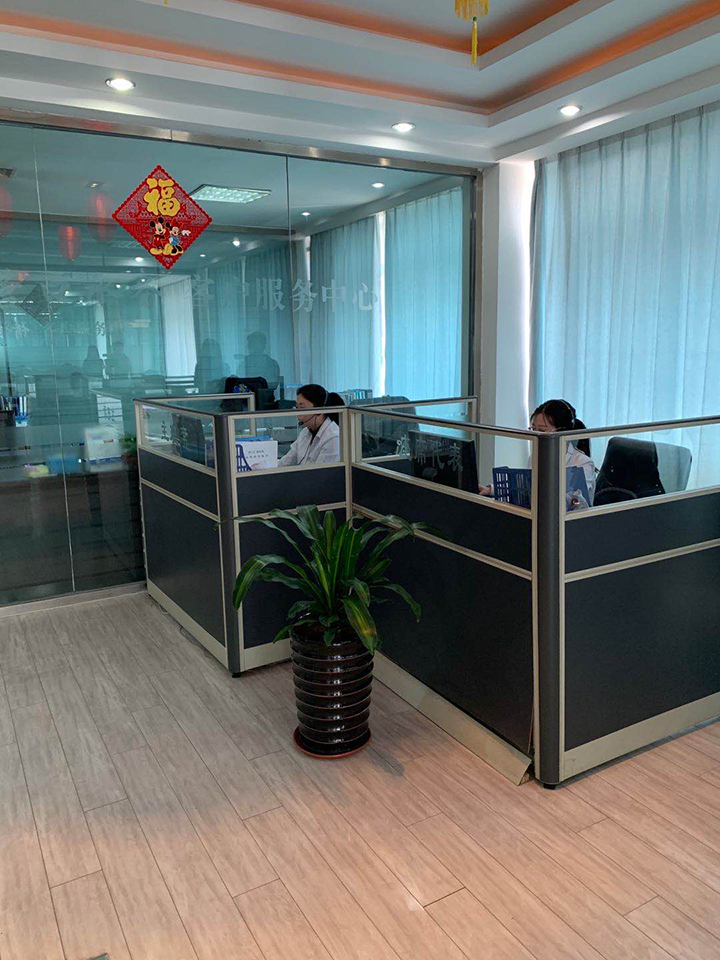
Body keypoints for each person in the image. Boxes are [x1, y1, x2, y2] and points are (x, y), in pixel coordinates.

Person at [480, 398, 596, 504]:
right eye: (533, 429)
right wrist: (491, 490)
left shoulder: (582, 462)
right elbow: (525, 487)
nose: (535, 435)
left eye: (541, 430)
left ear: (563, 431)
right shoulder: (535, 456)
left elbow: (577, 502)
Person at [279, 383, 343, 467]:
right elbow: (285, 462)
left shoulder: (333, 437)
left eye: (302, 408)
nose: (297, 413)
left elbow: (320, 473)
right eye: (297, 408)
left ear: (319, 409)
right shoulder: (305, 433)